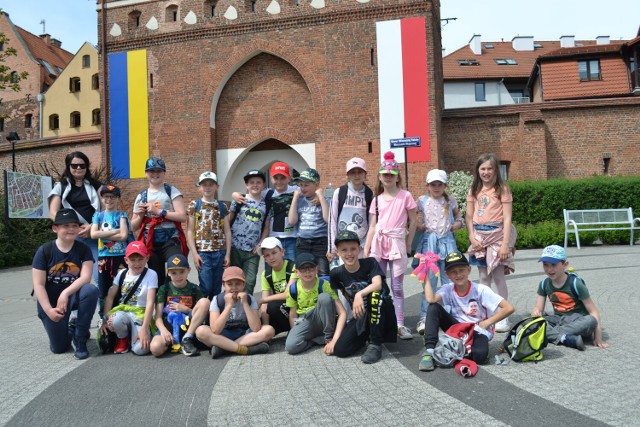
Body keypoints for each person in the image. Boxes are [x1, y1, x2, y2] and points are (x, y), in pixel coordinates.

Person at [418, 251, 514, 371]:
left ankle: (458, 349)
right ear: (447, 274)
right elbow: (430, 299)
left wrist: (487, 322)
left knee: (480, 356)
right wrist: (425, 275)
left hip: (477, 330)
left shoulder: (480, 290)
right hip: (457, 328)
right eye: (453, 272)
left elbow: (509, 308)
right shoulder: (447, 289)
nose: (458, 274)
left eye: (461, 270)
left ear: (469, 269)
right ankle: (429, 351)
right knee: (433, 307)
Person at [364, 151, 417, 340]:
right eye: (384, 174)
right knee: (378, 284)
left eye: (391, 174)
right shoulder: (376, 199)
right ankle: (382, 322)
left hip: (396, 243)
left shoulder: (405, 196)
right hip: (379, 244)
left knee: (397, 286)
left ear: (397, 177)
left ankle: (400, 324)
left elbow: (413, 221)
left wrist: (409, 243)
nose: (388, 177)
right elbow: (372, 225)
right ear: (379, 176)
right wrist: (367, 249)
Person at [32, 209, 98, 359]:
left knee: (90, 290)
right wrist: (49, 310)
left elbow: (86, 277)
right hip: (51, 303)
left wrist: (65, 293)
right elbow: (39, 285)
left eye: (74, 225)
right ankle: (72, 328)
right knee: (59, 348)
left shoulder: (83, 249)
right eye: (65, 225)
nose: (71, 229)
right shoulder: (45, 251)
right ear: (55, 228)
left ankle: (80, 338)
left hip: (72, 297)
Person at [466, 153, 516, 333]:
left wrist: (505, 244)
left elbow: (508, 217)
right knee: (483, 277)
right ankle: (486, 313)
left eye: (489, 168)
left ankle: (503, 316)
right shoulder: (474, 190)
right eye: (483, 169)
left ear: (495, 170)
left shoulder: (502, 189)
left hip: (497, 235)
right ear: (477, 170)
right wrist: (471, 236)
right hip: (479, 236)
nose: (486, 172)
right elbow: (469, 216)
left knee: (498, 276)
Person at [330, 231, 397, 364]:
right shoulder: (336, 274)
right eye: (344, 250)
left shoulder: (370, 263)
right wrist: (334, 339)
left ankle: (375, 344)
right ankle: (366, 336)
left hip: (382, 311)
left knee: (375, 295)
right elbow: (342, 297)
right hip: (362, 316)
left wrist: (359, 294)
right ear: (337, 252)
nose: (349, 253)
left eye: (353, 249)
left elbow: (377, 284)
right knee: (340, 350)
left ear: (359, 249)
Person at [531, 245, 608, 350]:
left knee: (591, 320)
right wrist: (536, 312)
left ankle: (548, 334)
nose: (549, 269)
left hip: (578, 322)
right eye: (545, 265)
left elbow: (594, 313)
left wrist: (598, 338)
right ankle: (565, 339)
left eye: (553, 265)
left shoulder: (576, 283)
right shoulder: (544, 283)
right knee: (529, 320)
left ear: (565, 264)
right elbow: (538, 309)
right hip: (559, 320)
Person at [414, 169, 463, 335]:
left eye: (439, 184)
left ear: (445, 185)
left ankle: (452, 315)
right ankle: (425, 316)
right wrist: (417, 226)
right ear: (427, 185)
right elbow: (411, 216)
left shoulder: (450, 200)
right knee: (429, 281)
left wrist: (458, 224)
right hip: (430, 244)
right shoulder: (421, 200)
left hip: (447, 243)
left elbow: (459, 217)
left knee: (450, 281)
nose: (436, 187)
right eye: (433, 184)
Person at [196, 267, 275, 358]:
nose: (234, 288)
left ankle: (224, 348)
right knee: (201, 331)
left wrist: (245, 303)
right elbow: (215, 330)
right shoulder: (217, 300)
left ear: (243, 284)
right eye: (230, 284)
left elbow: (256, 328)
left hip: (243, 335)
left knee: (269, 330)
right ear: (224, 285)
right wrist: (229, 306)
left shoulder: (249, 299)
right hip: (222, 335)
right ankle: (245, 350)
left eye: (238, 284)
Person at [131, 157, 187, 283]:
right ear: (146, 173)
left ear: (164, 173)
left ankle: (175, 295)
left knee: (176, 265)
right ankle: (160, 301)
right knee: (156, 277)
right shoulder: (142, 196)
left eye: (158, 171)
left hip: (171, 239)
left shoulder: (171, 191)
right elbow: (133, 226)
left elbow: (182, 216)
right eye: (151, 171)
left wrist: (159, 212)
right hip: (151, 241)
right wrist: (140, 215)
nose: (155, 174)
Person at [48, 151, 102, 283]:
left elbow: (105, 211)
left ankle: (102, 303)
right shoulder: (61, 187)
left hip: (92, 235)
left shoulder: (96, 185)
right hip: (70, 236)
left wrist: (92, 227)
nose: (78, 168)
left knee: (99, 275)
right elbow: (53, 213)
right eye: (74, 165)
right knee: (71, 275)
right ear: (68, 167)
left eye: (82, 166)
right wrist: (72, 228)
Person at [101, 241, 158, 355]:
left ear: (147, 258)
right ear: (126, 260)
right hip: (123, 312)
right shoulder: (122, 273)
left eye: (140, 259)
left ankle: (135, 334)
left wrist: (144, 330)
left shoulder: (151, 274)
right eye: (132, 260)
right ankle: (123, 337)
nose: (137, 263)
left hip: (140, 314)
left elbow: (150, 303)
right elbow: (110, 297)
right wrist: (105, 320)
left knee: (141, 350)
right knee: (115, 320)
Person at [284, 253, 347, 355]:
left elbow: (342, 313)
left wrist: (335, 339)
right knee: (291, 346)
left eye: (311, 268)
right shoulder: (293, 288)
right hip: (305, 319)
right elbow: (293, 314)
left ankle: (328, 336)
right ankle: (316, 341)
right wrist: (295, 331)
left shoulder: (325, 285)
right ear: (297, 272)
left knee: (324, 298)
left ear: (317, 269)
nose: (308, 272)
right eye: (303, 269)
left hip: (322, 318)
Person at [150, 254, 209, 357]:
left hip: (190, 326)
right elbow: (158, 317)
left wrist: (186, 310)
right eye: (174, 273)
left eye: (182, 272)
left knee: (205, 301)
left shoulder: (195, 289)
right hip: (169, 325)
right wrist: (164, 331)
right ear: (168, 273)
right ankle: (175, 343)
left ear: (189, 270)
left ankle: (186, 339)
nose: (178, 276)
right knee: (155, 348)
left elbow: (202, 312)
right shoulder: (164, 289)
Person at [186, 171, 231, 299]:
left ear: (217, 186)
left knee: (217, 288)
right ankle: (204, 313)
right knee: (206, 287)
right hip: (203, 253)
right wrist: (194, 254)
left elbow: (227, 231)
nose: (207, 187)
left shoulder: (222, 207)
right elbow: (190, 231)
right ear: (199, 187)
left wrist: (227, 253)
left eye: (211, 184)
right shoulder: (194, 206)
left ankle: (214, 316)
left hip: (219, 252)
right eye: (204, 184)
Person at [90, 184, 129, 318]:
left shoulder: (122, 215)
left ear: (118, 199)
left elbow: (124, 236)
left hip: (120, 257)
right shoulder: (98, 216)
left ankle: (121, 315)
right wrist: (116, 231)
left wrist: (103, 233)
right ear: (102, 199)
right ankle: (103, 318)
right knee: (103, 289)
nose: (109, 200)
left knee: (121, 287)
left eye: (113, 197)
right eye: (106, 197)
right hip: (104, 257)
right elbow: (93, 234)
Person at [229, 169, 268, 295]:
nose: (255, 185)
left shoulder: (266, 204)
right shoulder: (240, 200)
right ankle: (232, 307)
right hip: (235, 247)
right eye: (251, 182)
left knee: (250, 281)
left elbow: (266, 226)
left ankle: (246, 306)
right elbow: (229, 219)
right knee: (233, 280)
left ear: (263, 184)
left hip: (253, 250)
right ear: (246, 185)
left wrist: (260, 244)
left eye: (258, 182)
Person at [327, 157, 373, 262]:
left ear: (365, 174)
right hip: (343, 246)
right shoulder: (339, 192)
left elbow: (372, 223)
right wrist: (332, 248)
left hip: (361, 246)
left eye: (360, 172)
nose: (356, 175)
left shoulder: (369, 194)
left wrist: (365, 245)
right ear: (347, 175)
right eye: (353, 172)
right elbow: (332, 221)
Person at [288, 168, 330, 276]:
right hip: (303, 243)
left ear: (316, 185)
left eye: (306, 185)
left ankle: (325, 293)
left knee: (323, 273)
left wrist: (321, 197)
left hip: (320, 242)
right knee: (302, 273)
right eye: (301, 185)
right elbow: (292, 221)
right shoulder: (299, 200)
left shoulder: (324, 200)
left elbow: (327, 219)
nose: (302, 188)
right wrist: (295, 198)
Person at [258, 237, 296, 334]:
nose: (271, 257)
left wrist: (263, 300)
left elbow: (287, 294)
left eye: (274, 253)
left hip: (296, 307)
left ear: (282, 252)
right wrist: (265, 326)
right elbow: (264, 304)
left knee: (273, 306)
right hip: (280, 308)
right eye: (267, 255)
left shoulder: (293, 267)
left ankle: (293, 330)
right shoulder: (265, 274)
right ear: (264, 259)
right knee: (259, 322)